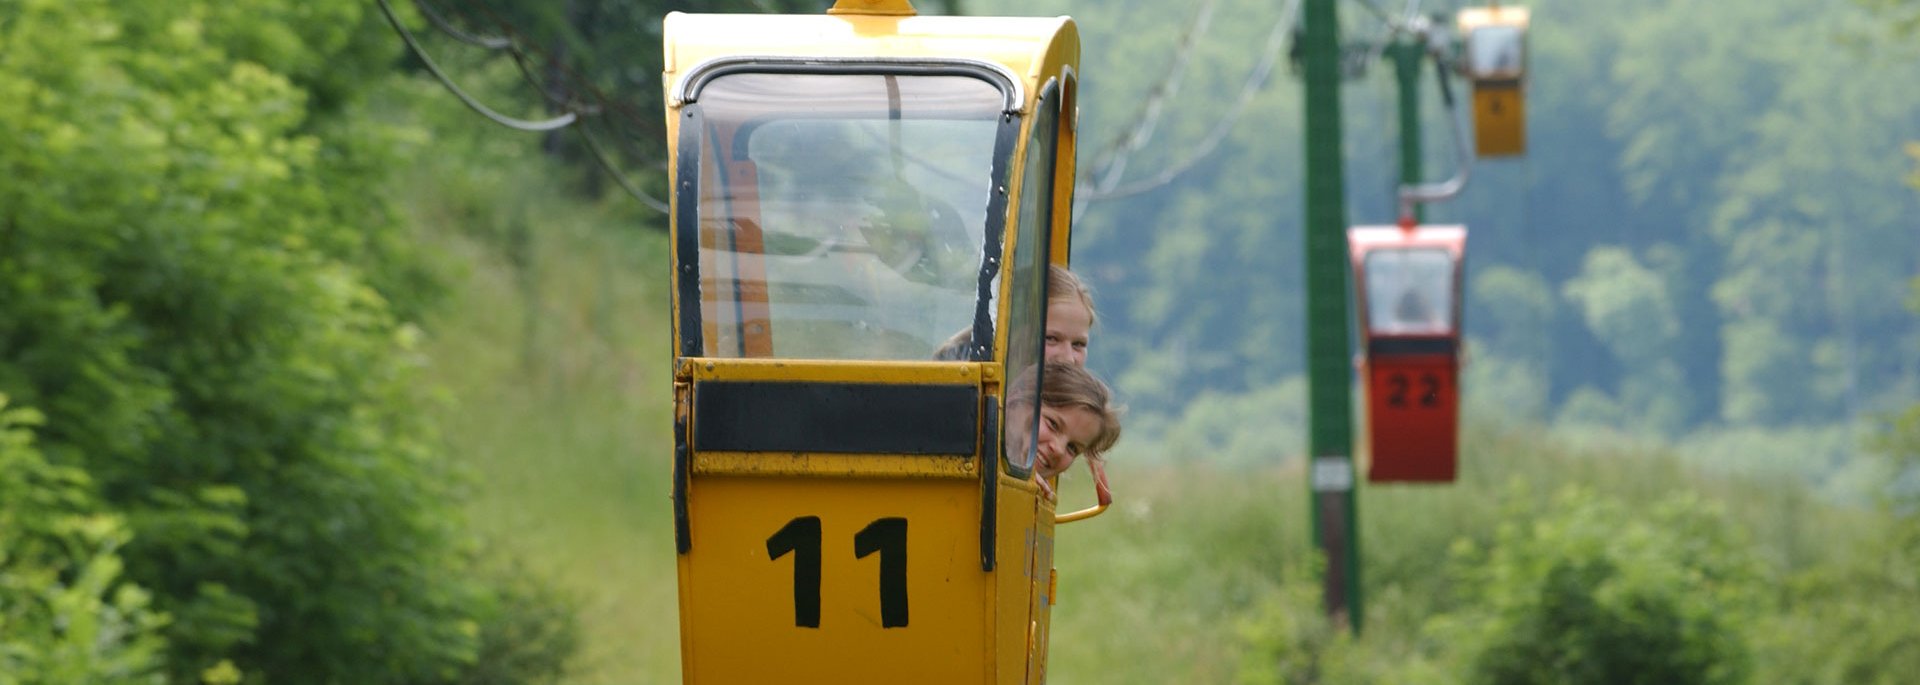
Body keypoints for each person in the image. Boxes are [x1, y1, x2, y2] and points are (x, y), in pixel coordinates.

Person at [1004, 361, 1122, 503]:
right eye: (1053, 424)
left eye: (1072, 447)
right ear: (1016, 398)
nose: (1059, 449)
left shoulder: (1039, 499)